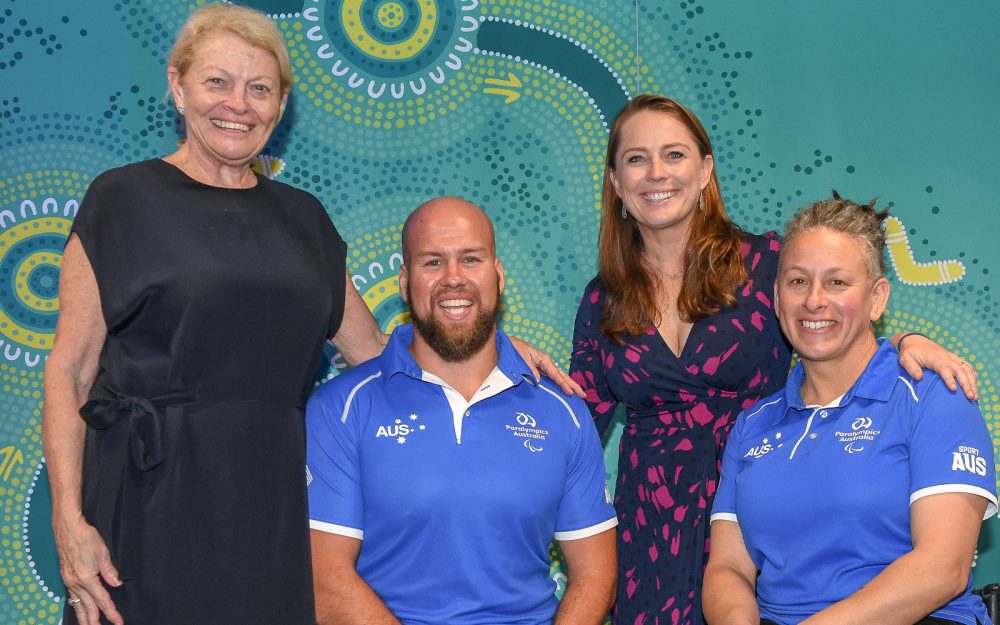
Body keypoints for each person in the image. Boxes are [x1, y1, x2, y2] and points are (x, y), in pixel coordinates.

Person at [42, 6, 575, 625]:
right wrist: (68, 520)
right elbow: (69, 370)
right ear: (178, 85)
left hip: (277, 505)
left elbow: (376, 353)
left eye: (260, 88)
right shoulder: (120, 200)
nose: (238, 104)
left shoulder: (304, 220)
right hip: (148, 499)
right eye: (218, 81)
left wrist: (495, 359)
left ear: (281, 104)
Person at [568, 94, 981, 625]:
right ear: (617, 182)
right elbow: (574, 423)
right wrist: (505, 363)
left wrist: (905, 343)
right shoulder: (603, 298)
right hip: (653, 521)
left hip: (770, 506)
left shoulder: (764, 263)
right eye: (636, 159)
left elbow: (831, 316)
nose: (656, 173)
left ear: (705, 171)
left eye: (673, 154)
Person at [307, 196, 618, 625]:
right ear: (403, 282)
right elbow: (325, 582)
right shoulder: (340, 408)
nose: (454, 279)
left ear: (498, 276)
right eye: (432, 263)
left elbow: (594, 572)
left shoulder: (562, 409)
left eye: (471, 259)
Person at [702, 194, 996, 625]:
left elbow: (944, 568)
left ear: (877, 299)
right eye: (798, 281)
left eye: (837, 282)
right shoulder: (753, 425)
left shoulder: (934, 395)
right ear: (777, 298)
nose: (814, 300)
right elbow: (728, 568)